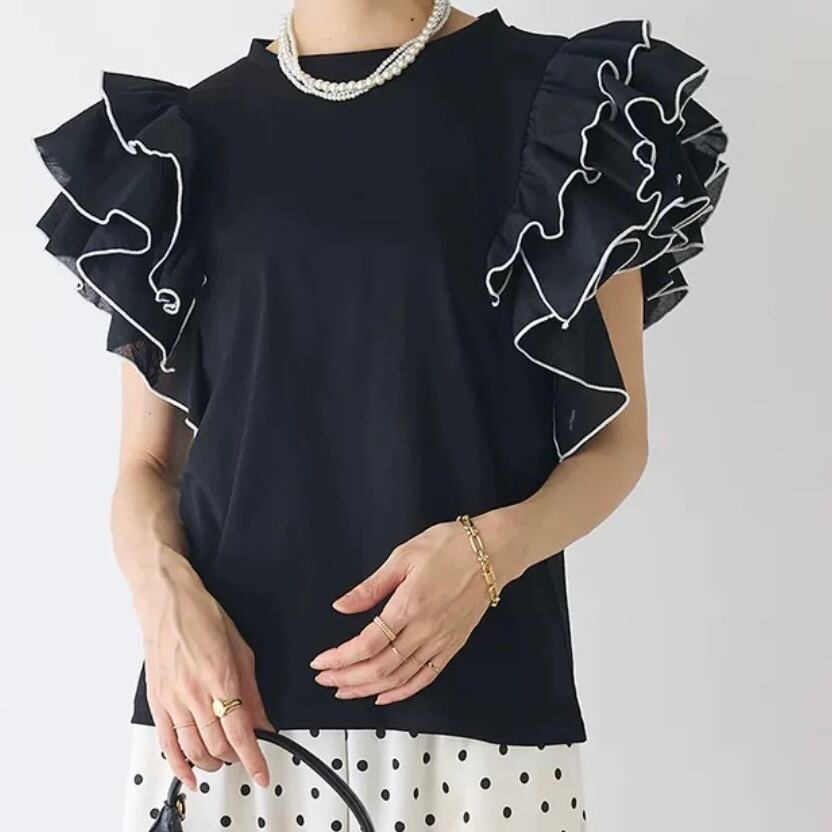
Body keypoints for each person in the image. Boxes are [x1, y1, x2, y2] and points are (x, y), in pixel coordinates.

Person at [32, 2, 730, 829]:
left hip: (480, 716)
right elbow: (145, 469)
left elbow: (616, 444)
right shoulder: (180, 144)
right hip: (225, 718)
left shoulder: (571, 111)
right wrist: (163, 601)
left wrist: (489, 554)